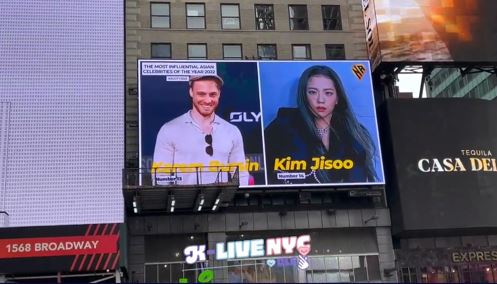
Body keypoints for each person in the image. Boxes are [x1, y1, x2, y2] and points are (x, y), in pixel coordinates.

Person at [264, 65, 377, 184]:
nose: (320, 100)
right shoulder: (284, 124)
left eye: (328, 93)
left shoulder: (354, 134)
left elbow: (359, 183)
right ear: (304, 96)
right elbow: (258, 164)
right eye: (313, 92)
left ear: (337, 98)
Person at [152, 74, 249, 185]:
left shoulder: (232, 131)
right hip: (183, 201)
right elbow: (160, 176)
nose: (208, 100)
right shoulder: (169, 130)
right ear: (191, 93)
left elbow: (241, 174)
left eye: (212, 94)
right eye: (201, 94)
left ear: (219, 95)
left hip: (221, 201)